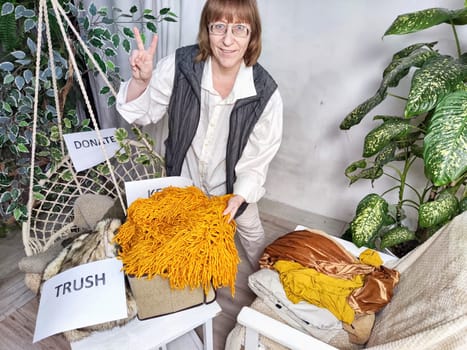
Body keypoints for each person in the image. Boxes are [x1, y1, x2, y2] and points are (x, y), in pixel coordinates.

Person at [116, 0, 283, 270]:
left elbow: (259, 155)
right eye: (219, 27)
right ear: (207, 29)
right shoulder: (180, 66)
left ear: (252, 35)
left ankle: (265, 282)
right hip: (185, 181)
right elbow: (144, 114)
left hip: (231, 186)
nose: (228, 40)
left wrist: (240, 195)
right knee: (183, 242)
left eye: (240, 28)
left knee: (252, 234)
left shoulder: (265, 91)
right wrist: (141, 81)